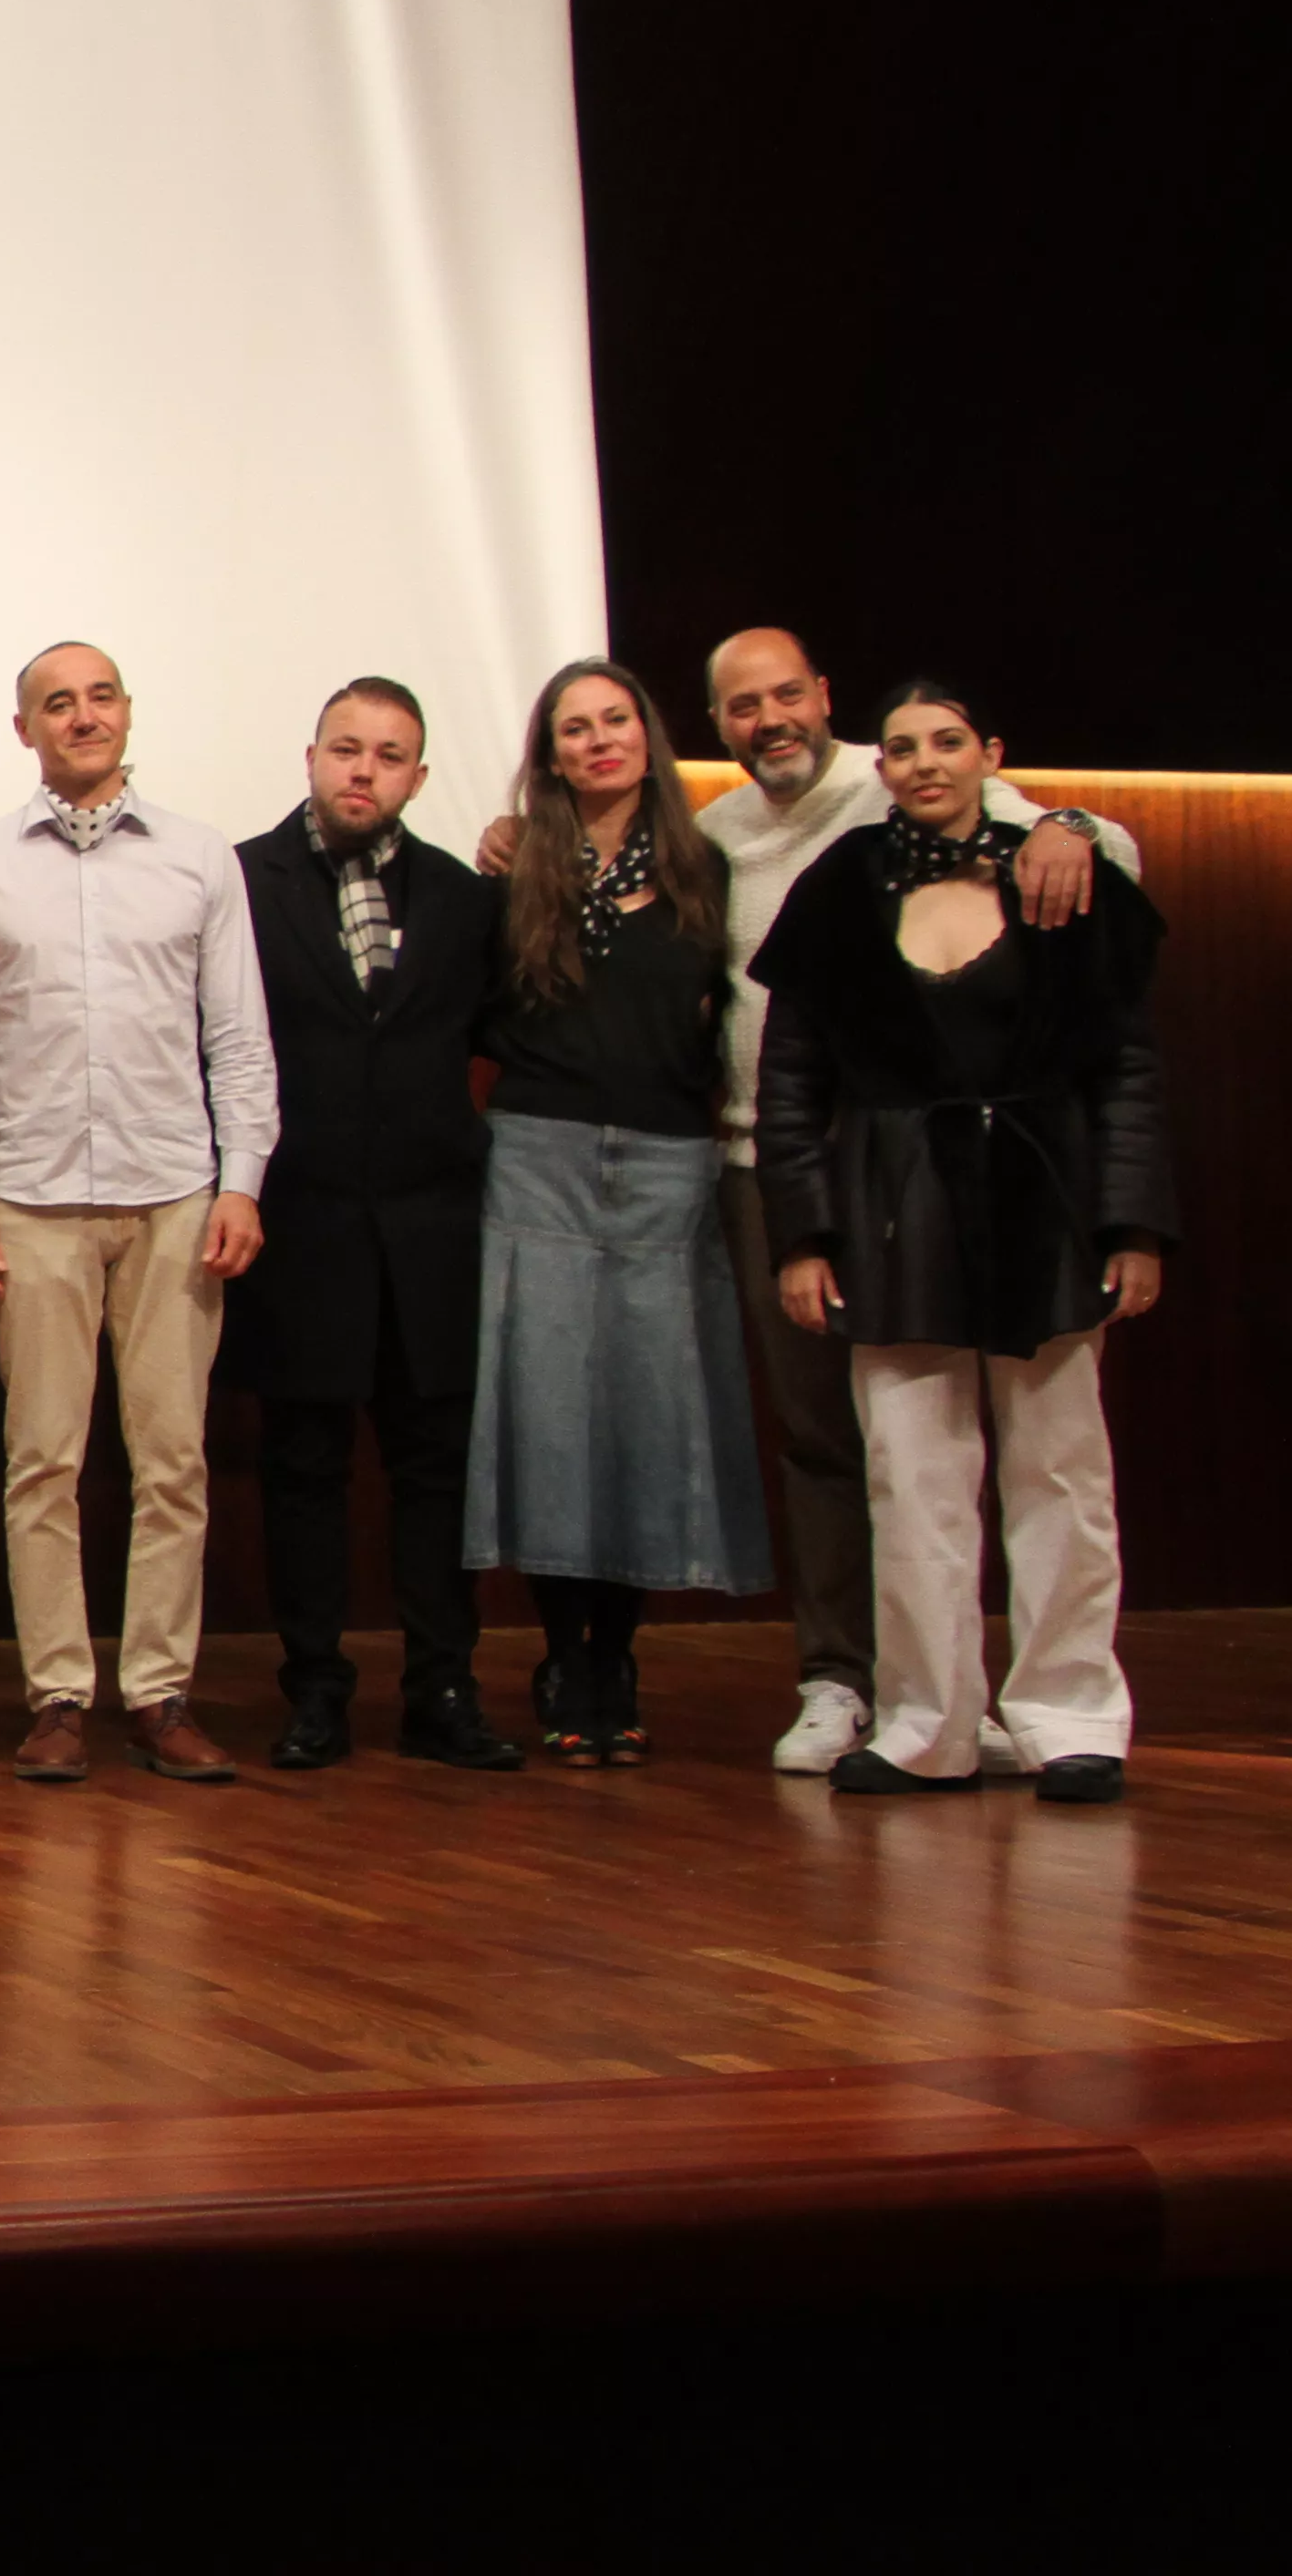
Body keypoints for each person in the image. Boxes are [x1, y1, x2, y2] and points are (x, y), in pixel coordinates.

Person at [682, 630, 1130, 1777]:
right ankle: (926, 1723)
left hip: (1039, 1199)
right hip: (886, 1202)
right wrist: (807, 1235)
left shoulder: (1045, 858)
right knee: (910, 1474)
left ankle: (1071, 1720)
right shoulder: (823, 878)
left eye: (948, 743)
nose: (926, 764)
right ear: (878, 766)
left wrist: (1134, 1225)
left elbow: (1124, 1061)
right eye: (905, 749)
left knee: (1059, 1469)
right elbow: (790, 1076)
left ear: (990, 755)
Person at [0, 643, 276, 1787]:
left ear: (127, 712)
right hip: (30, 1200)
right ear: (24, 728)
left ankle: (161, 1692)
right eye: (57, 703)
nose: (81, 717)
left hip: (176, 1194)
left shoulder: (199, 856)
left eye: (99, 697)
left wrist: (242, 1180)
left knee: (172, 1460)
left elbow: (237, 1037)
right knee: (42, 1460)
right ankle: (57, 1696)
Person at [461, 661, 771, 1765]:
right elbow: (480, 1018)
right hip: (538, 1158)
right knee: (553, 1418)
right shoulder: (514, 870)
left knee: (644, 1415)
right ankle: (561, 1656)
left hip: (670, 1164)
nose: (599, 741)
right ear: (549, 756)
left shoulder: (709, 867)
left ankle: (616, 1657)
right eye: (574, 728)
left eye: (615, 721)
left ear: (648, 735)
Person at [219, 681, 524, 1773]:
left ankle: (443, 1687)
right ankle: (315, 1691)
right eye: (346, 748)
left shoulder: (465, 899)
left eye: (390, 756)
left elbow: (500, 1035)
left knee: (435, 1473)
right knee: (302, 1470)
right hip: (298, 1226)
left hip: (432, 1233)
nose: (364, 770)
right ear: (311, 756)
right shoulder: (238, 883)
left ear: (419, 777)